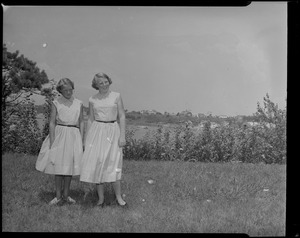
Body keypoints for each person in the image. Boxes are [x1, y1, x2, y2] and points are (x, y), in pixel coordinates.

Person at [80, 72, 127, 207]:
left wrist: (122, 136)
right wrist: (87, 139)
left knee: (114, 163)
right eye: (101, 83)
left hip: (113, 131)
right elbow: (90, 119)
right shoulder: (92, 99)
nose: (104, 84)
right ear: (96, 85)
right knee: (98, 164)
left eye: (106, 81)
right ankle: (100, 199)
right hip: (97, 132)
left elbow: (122, 116)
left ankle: (119, 198)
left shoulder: (116, 96)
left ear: (109, 81)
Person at [36, 78, 84, 205]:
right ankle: (58, 196)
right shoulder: (56, 102)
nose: (68, 92)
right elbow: (52, 122)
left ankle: (66, 195)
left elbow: (82, 122)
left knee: (68, 168)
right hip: (60, 135)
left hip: (73, 135)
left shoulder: (79, 103)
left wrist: (81, 138)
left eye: (70, 89)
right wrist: (52, 140)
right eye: (65, 90)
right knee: (58, 167)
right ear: (60, 91)